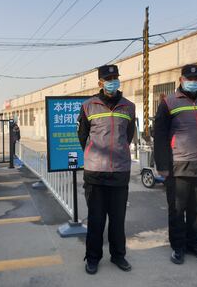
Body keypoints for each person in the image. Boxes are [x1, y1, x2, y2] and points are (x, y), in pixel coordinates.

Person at [153, 64, 197, 265]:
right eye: (189, 78)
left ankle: (194, 243)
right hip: (178, 165)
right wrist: (162, 165)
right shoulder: (169, 102)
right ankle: (178, 247)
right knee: (177, 209)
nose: (193, 82)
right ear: (181, 79)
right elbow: (160, 135)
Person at [77, 64, 136, 274]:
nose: (113, 81)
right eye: (108, 78)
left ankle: (118, 256)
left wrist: (117, 152)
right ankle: (92, 257)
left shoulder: (128, 106)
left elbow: (128, 136)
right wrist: (94, 155)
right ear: (100, 83)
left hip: (120, 171)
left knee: (118, 219)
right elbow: (83, 136)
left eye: (115, 77)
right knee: (96, 219)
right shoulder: (88, 106)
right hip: (95, 173)